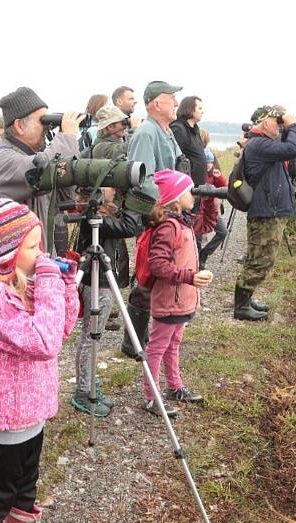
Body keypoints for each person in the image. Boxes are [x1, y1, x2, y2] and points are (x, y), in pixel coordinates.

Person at [0, 199, 79, 523]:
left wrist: (65, 285)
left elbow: (63, 328)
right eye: (32, 246)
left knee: (25, 489)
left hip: (33, 411)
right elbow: (45, 344)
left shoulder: (27, 285)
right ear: (7, 254)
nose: (41, 254)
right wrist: (49, 284)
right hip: (9, 416)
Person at [142, 169, 213, 417]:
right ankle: (152, 398)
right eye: (188, 190)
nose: (192, 193)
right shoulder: (169, 226)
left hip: (182, 300)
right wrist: (190, 277)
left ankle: (174, 386)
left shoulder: (182, 221)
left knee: (174, 344)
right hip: (169, 299)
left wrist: (212, 199)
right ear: (174, 196)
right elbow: (157, 264)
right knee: (157, 348)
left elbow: (209, 224)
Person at [121, 81, 183, 359]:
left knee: (156, 276)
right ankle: (132, 340)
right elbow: (141, 178)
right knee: (147, 275)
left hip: (168, 213)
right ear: (155, 103)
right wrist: (164, 206)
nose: (177, 103)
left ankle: (144, 336)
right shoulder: (147, 132)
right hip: (154, 214)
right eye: (172, 98)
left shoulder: (166, 131)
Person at [71, 186, 143, 417]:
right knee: (90, 338)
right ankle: (83, 391)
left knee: (95, 337)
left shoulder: (105, 213)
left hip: (101, 281)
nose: (116, 189)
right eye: (110, 184)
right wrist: (133, 198)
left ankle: (89, 382)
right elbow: (130, 228)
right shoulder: (94, 217)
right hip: (96, 284)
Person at [0, 86, 84, 252]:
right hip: (14, 267)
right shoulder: (2, 160)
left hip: (37, 259)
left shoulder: (34, 155)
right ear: (19, 126)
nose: (47, 127)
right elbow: (41, 172)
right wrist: (67, 137)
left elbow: (66, 195)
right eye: (42, 121)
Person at [234, 105, 296, 321]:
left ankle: (246, 300)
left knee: (260, 258)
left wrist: (286, 130)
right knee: (260, 260)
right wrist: (292, 126)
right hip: (265, 212)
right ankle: (241, 307)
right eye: (278, 123)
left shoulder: (264, 143)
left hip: (269, 210)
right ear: (266, 123)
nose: (281, 128)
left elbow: (294, 163)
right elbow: (292, 149)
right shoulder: (260, 144)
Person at [194, 148, 228, 269]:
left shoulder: (213, 174)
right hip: (197, 211)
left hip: (211, 211)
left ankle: (205, 254)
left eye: (210, 162)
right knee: (196, 240)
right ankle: (197, 265)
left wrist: (219, 177)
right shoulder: (197, 174)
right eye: (206, 162)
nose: (209, 165)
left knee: (223, 232)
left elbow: (225, 189)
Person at [170, 95, 206, 186]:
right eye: (200, 108)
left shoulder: (195, 130)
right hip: (185, 187)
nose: (203, 112)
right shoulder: (178, 129)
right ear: (190, 109)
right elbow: (172, 159)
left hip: (197, 187)